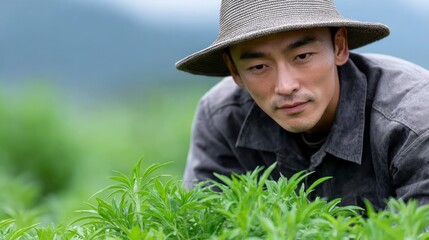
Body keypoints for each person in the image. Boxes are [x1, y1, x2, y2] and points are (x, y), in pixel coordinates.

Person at [175, 0, 429, 210]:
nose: (285, 86)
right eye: (258, 67)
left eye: (302, 56)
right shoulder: (223, 119)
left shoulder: (413, 125)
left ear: (339, 47)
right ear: (235, 71)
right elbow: (207, 224)